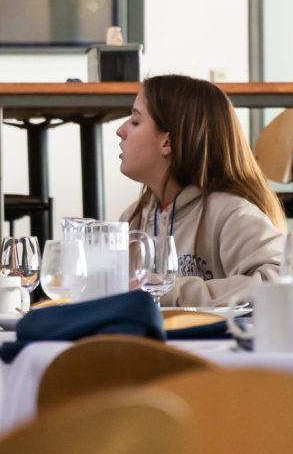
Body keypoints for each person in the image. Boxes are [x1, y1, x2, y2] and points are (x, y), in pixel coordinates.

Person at [117, 74, 284, 306]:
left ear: (167, 142)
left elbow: (283, 280)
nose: (120, 130)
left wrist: (171, 293)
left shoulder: (229, 213)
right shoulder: (133, 218)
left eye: (135, 121)